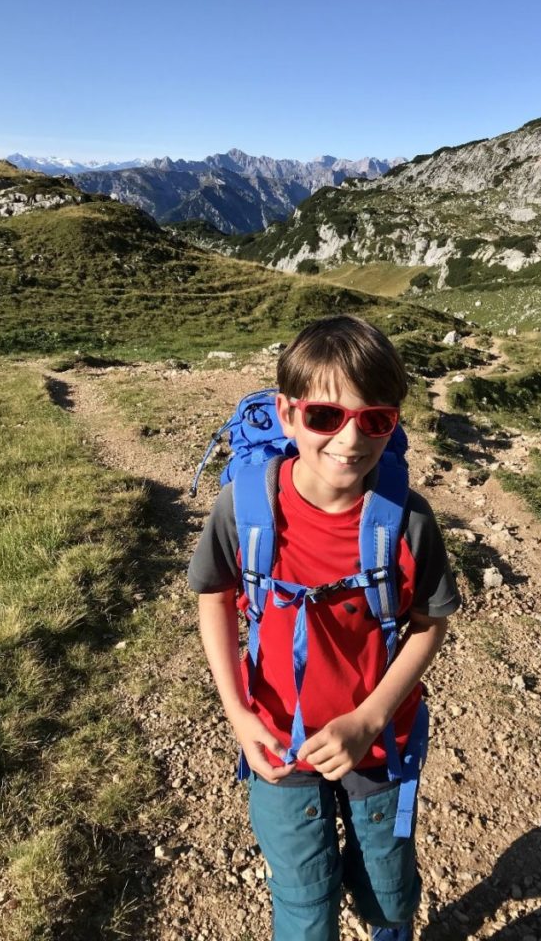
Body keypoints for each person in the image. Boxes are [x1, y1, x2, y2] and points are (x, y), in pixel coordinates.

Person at [189, 314, 460, 941]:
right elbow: (216, 597)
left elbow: (428, 624)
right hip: (277, 742)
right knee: (304, 906)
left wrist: (369, 718)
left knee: (389, 892)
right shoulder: (245, 507)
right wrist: (237, 712)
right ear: (287, 415)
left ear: (392, 424)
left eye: (375, 420)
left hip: (380, 743)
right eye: (324, 417)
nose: (349, 438)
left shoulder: (407, 522)